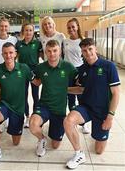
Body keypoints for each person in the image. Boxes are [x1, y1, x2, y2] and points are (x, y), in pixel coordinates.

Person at [64, 38, 120, 169]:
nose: (88, 53)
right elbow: (81, 89)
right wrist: (64, 89)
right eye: (84, 50)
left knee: (98, 151)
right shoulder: (82, 69)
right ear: (81, 53)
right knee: (68, 121)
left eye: (90, 49)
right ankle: (79, 153)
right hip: (86, 107)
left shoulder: (108, 66)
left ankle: (99, 133)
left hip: (102, 111)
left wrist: (110, 117)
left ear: (95, 48)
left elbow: (116, 93)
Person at [29, 40, 77, 157]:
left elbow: (78, 85)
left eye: (55, 51)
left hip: (59, 110)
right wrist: (27, 75)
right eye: (49, 51)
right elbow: (36, 82)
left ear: (60, 51)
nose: (52, 54)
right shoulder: (41, 67)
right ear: (45, 52)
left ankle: (54, 132)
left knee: (55, 145)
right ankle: (42, 139)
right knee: (33, 125)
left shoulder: (68, 67)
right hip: (44, 105)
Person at [0, 42, 34, 166]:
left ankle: (10, 123)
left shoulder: (24, 68)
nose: (8, 55)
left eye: (10, 52)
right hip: (4, 105)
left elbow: (36, 82)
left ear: (15, 54)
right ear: (2, 55)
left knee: (15, 142)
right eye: (5, 53)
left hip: (18, 109)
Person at [0, 16, 17, 131]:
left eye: (6, 26)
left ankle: (9, 118)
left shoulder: (14, 39)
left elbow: (16, 54)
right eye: (1, 26)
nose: (3, 28)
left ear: (8, 27)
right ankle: (0, 120)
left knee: (10, 95)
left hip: (11, 71)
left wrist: (11, 62)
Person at [63, 18, 90, 134]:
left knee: (81, 97)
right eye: (69, 27)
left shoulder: (83, 40)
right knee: (70, 97)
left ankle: (84, 123)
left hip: (79, 70)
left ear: (77, 26)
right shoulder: (65, 41)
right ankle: (72, 121)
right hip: (68, 71)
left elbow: (87, 58)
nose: (71, 29)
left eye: (73, 26)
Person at [16, 23, 42, 128]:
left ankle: (36, 117)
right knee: (24, 96)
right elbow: (14, 58)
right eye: (26, 30)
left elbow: (42, 57)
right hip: (22, 73)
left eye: (30, 30)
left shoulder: (37, 44)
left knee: (35, 96)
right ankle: (27, 117)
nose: (28, 32)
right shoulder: (18, 44)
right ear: (23, 31)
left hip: (35, 72)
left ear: (33, 32)